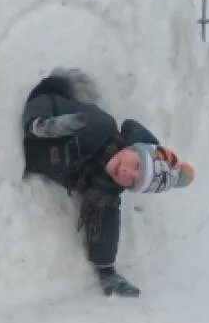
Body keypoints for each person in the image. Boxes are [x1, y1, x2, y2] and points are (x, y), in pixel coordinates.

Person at [22, 69, 195, 298]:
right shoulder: (98, 127)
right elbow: (46, 98)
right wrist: (41, 125)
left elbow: (105, 227)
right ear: (133, 148)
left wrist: (107, 271)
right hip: (27, 131)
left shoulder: (106, 190)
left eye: (133, 180)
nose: (126, 172)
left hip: (28, 163)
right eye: (136, 164)